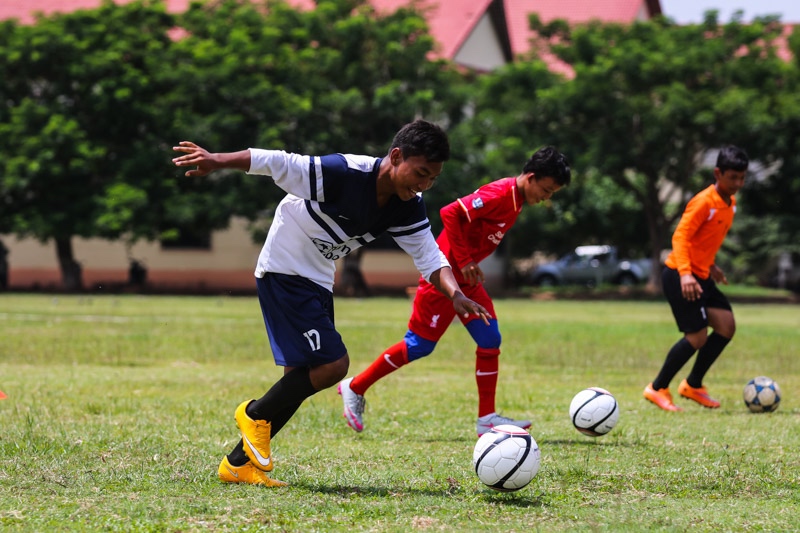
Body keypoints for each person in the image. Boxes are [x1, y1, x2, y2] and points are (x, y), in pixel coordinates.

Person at [172, 120, 490, 487]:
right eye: (420, 173)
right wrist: (216, 160)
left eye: (432, 179)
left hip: (318, 276)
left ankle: (238, 464)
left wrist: (456, 293)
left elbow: (431, 257)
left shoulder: (407, 206)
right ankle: (253, 413)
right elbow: (277, 161)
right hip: (284, 267)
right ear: (396, 156)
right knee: (333, 364)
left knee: (298, 378)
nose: (424, 185)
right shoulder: (343, 172)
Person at [338, 146, 572, 436]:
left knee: (489, 338)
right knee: (419, 345)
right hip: (444, 277)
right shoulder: (500, 193)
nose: (546, 198)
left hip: (468, 282)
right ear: (532, 177)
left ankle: (486, 418)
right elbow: (450, 212)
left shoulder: (516, 200)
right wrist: (464, 260)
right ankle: (355, 386)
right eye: (547, 190)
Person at [643, 145, 749, 411]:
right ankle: (657, 388)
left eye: (742, 177)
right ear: (717, 173)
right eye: (733, 177)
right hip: (679, 275)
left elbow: (703, 240)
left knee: (726, 326)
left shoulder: (730, 204)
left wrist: (710, 266)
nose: (738, 183)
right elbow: (680, 236)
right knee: (697, 337)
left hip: (701, 275)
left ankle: (693, 385)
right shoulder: (704, 202)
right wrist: (686, 275)